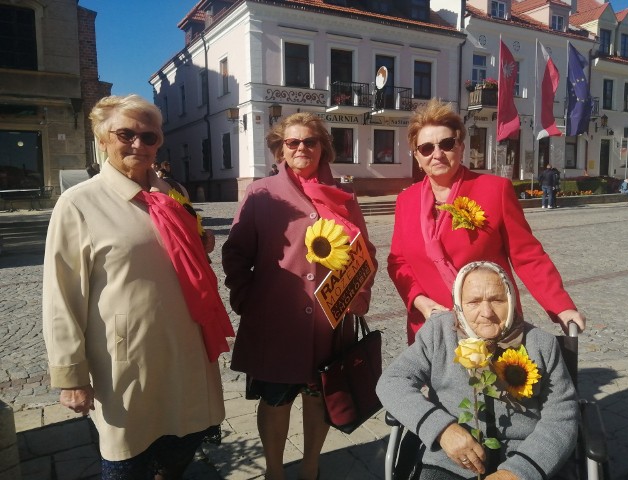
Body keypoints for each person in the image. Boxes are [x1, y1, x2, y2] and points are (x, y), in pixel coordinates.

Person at [43, 94, 234, 479]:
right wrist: (71, 377)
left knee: (183, 444)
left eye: (149, 137)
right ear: (102, 139)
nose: (138, 145)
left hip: (185, 353)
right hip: (125, 361)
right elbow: (61, 296)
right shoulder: (79, 203)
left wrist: (198, 242)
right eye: (125, 134)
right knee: (128, 460)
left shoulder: (172, 196)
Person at [222, 112, 377, 480]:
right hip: (276, 319)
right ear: (281, 149)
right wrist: (246, 299)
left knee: (318, 397)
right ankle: (274, 472)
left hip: (330, 322)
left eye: (310, 141)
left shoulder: (343, 195)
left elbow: (365, 252)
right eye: (293, 142)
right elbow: (236, 252)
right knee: (275, 399)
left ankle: (310, 468)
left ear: (323, 147)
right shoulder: (261, 192)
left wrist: (360, 294)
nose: (302, 148)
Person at [388, 99, 585, 345]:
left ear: (460, 147)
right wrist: (420, 302)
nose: (437, 154)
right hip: (432, 327)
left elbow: (527, 255)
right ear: (417, 157)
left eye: (446, 144)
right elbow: (398, 262)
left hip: (492, 323)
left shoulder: (494, 190)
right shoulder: (406, 200)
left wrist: (561, 307)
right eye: (426, 148)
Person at [377, 261, 579, 480]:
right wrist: (443, 430)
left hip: (524, 457)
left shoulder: (541, 344)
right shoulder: (439, 334)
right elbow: (392, 381)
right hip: (451, 459)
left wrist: (517, 472)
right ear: (459, 305)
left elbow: (562, 416)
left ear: (511, 301)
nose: (487, 312)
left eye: (497, 300)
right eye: (474, 302)